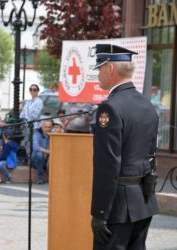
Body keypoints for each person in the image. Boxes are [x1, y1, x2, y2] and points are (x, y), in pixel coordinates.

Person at [91, 44, 159, 250]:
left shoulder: (110, 107)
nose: (98, 75)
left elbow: (108, 165)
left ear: (110, 69)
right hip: (143, 203)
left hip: (118, 208)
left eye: (100, 68)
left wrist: (100, 213)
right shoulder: (147, 104)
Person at [31, 120, 52, 184]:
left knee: (54, 156)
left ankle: (51, 179)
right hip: (37, 160)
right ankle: (40, 178)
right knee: (38, 154)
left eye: (49, 127)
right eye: (46, 127)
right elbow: (36, 147)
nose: (48, 129)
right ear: (42, 127)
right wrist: (48, 152)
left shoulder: (52, 134)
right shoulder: (36, 134)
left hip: (47, 158)